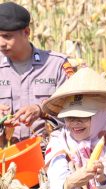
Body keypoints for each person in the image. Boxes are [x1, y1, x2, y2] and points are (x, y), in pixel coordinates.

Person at [0, 1, 74, 147]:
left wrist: (41, 110)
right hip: (5, 154)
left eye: (7, 36)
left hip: (50, 154)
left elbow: (78, 109)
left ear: (26, 32)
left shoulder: (56, 65)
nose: (1, 43)